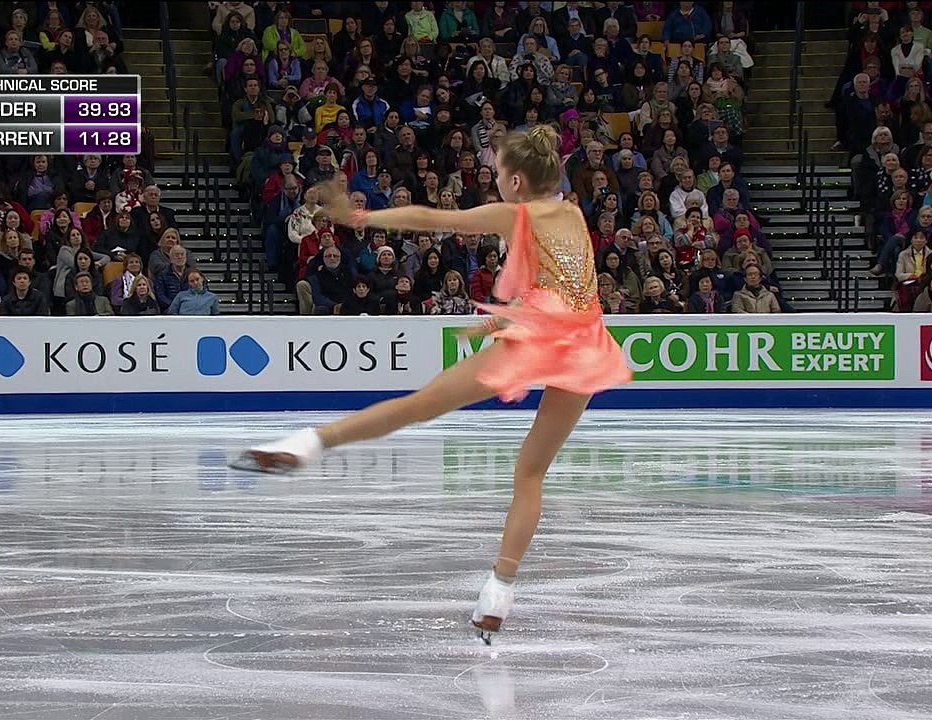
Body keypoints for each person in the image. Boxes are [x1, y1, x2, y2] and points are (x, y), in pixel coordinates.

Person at [230, 126, 633, 644]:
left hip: (542, 338)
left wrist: (362, 217)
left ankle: (309, 444)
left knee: (420, 406)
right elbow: (570, 286)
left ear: (513, 180)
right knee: (530, 474)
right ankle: (498, 593)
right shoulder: (574, 214)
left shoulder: (515, 213)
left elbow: (432, 219)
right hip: (583, 345)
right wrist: (507, 317)